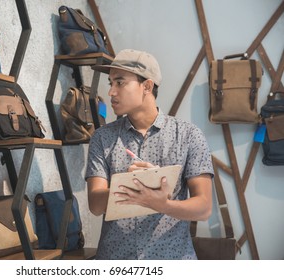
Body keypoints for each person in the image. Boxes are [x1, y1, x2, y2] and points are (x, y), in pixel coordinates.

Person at [85, 49, 214, 259]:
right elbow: (95, 205)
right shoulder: (102, 138)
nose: (111, 92)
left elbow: (204, 208)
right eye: (111, 83)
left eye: (120, 82)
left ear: (147, 86)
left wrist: (162, 204)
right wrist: (130, 186)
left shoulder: (189, 135)